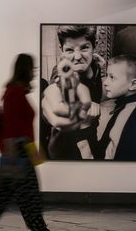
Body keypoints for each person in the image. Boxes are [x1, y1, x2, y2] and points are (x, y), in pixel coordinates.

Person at [0, 53, 60, 231]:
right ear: (25, 69)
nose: (34, 73)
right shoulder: (15, 93)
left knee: (3, 191)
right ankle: (37, 229)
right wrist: (15, 151)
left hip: (20, 148)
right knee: (29, 191)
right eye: (32, 69)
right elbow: (12, 125)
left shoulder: (16, 91)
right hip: (18, 150)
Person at [41, 25, 105, 160]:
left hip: (91, 135)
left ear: (95, 46)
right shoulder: (63, 73)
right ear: (61, 51)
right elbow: (56, 88)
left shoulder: (95, 66)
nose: (77, 57)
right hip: (67, 150)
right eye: (69, 50)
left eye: (84, 48)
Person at [85, 55, 136, 160]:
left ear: (133, 84)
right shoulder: (124, 106)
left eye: (112, 77)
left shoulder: (131, 113)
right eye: (107, 76)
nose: (105, 83)